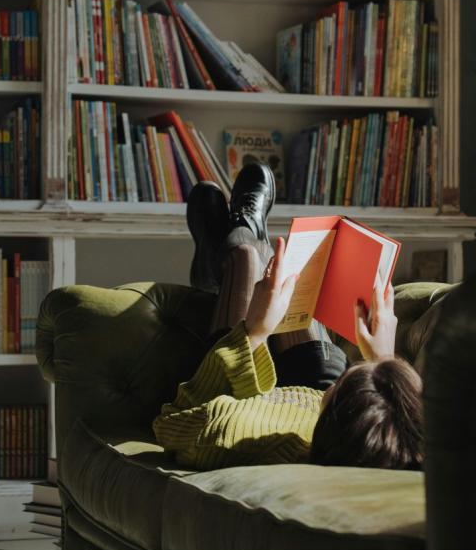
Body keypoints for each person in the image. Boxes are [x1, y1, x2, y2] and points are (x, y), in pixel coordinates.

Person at [152, 163, 423, 471]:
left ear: (334, 412)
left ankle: (231, 247)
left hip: (243, 395)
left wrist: (255, 331)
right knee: (288, 278)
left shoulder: (237, 434)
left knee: (247, 259)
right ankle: (233, 243)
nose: (359, 363)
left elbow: (171, 424)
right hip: (320, 398)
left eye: (355, 371)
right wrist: (382, 358)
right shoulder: (373, 434)